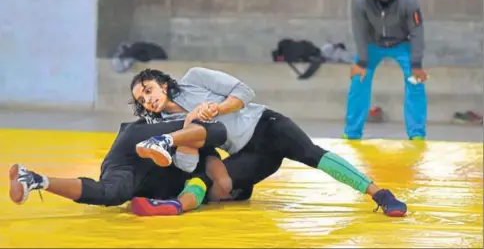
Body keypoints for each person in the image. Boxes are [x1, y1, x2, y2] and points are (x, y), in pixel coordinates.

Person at [130, 67, 408, 217]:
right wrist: (189, 123)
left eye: (148, 90)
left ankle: (379, 193)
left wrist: (218, 109)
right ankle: (175, 207)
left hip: (267, 124)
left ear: (161, 83)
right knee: (203, 178)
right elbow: (187, 164)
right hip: (249, 154)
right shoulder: (165, 126)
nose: (148, 99)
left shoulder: (194, 78)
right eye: (142, 100)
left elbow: (244, 91)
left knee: (313, 154)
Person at [8, 118, 238, 216]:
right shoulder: (204, 175)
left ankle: (34, 179)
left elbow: (213, 170)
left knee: (113, 193)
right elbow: (214, 164)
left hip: (137, 165)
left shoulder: (199, 180)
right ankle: (164, 145)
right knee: (212, 136)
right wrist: (222, 181)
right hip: (140, 148)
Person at [343, 0, 428, 140]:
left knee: (416, 82)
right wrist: (362, 62)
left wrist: (416, 63)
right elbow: (359, 30)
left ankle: (417, 134)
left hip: (401, 44)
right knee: (359, 79)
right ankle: (352, 133)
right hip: (372, 44)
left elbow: (417, 29)